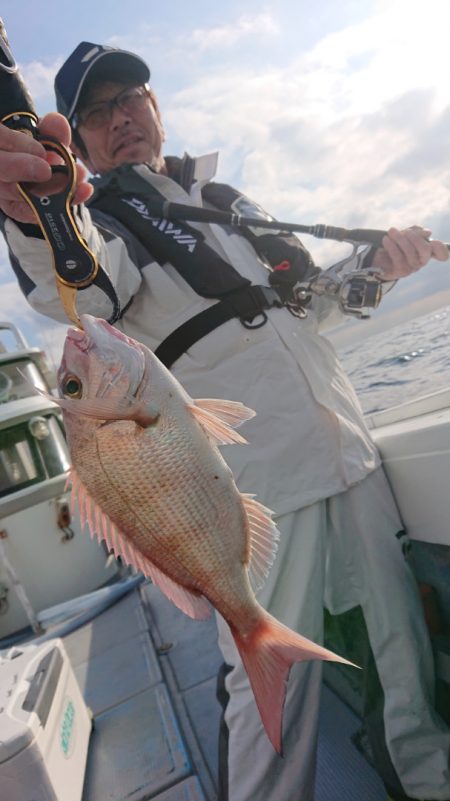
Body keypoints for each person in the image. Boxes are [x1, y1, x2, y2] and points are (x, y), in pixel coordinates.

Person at [0, 42, 449, 801]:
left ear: (155, 107)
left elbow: (309, 304)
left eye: (130, 98)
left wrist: (379, 267)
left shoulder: (224, 201)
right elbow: (82, 281)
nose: (120, 118)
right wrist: (38, 209)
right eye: (97, 113)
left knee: (400, 643)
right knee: (271, 700)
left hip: (347, 445)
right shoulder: (99, 219)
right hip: (249, 485)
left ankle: (428, 780)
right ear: (78, 144)